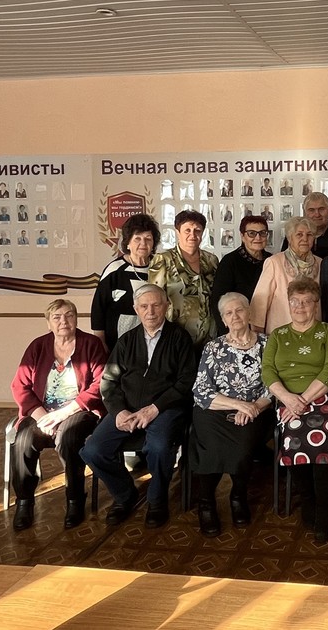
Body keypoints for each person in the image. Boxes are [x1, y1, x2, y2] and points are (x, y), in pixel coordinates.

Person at [81, 285, 197, 528]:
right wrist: (119, 411)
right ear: (136, 309)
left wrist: (155, 408)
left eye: (156, 305)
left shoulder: (180, 338)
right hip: (127, 408)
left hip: (165, 408)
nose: (150, 311)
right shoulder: (126, 341)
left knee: (159, 447)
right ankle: (125, 495)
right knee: (93, 450)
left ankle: (156, 500)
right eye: (144, 306)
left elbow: (186, 382)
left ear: (166, 306)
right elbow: (108, 381)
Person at [9, 300, 108, 531]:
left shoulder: (91, 344)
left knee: (68, 438)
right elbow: (19, 386)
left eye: (69, 315)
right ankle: (24, 502)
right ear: (48, 323)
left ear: (76, 318)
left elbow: (100, 385)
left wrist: (65, 412)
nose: (64, 321)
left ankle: (75, 499)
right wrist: (43, 416)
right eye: (57, 317)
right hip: (43, 412)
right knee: (23, 440)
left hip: (79, 410)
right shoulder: (38, 346)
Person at [262, 278, 328, 543]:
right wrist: (288, 399)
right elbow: (267, 371)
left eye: (307, 301)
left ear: (316, 304)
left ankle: (324, 508)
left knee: (322, 434)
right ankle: (308, 499)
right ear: (288, 304)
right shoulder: (278, 335)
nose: (300, 306)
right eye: (295, 301)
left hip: (323, 397)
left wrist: (304, 399)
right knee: (292, 435)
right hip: (287, 401)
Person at [190, 293, 273, 536]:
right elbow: (201, 391)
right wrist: (238, 405)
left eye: (239, 310)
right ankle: (206, 503)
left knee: (243, 444)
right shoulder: (213, 347)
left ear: (249, 313)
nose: (235, 316)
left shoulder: (268, 344)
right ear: (223, 320)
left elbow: (274, 385)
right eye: (229, 313)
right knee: (211, 446)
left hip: (257, 410)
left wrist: (254, 407)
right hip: (215, 410)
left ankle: (238, 496)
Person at [148, 210, 220, 351]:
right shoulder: (163, 260)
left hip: (209, 339)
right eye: (187, 230)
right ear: (177, 232)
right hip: (175, 339)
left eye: (197, 230)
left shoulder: (211, 260)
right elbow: (154, 299)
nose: (192, 235)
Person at [91, 213, 161, 352]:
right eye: (137, 238)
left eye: (148, 238)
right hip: (118, 345)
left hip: (154, 342)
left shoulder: (160, 268)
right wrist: (100, 342)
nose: (143, 243)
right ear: (128, 243)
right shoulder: (115, 270)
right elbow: (98, 308)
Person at [250, 216, 322, 333]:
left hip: (313, 332)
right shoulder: (274, 262)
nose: (305, 239)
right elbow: (259, 303)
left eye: (309, 235)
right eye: (299, 235)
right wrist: (258, 335)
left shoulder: (320, 263)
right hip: (280, 332)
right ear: (289, 238)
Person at [210, 215, 271, 333]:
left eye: (262, 233)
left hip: (267, 326)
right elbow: (218, 301)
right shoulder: (230, 261)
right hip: (237, 329)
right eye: (252, 233)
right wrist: (228, 334)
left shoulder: (271, 261)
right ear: (242, 236)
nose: (258, 237)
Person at [284, 192, 328, 257]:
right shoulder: (293, 233)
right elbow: (284, 259)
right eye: (311, 210)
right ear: (304, 212)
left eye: (321, 209)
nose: (317, 214)